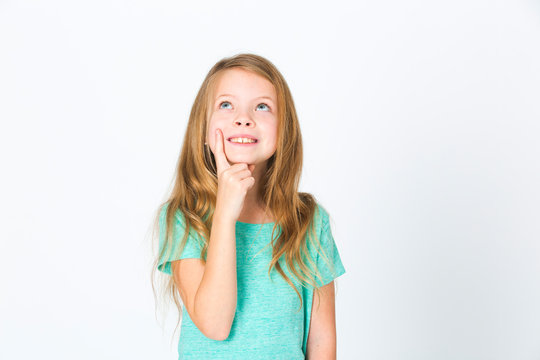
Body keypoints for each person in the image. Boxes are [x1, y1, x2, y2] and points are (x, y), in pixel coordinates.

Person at [151, 53, 346, 359]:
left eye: (262, 106)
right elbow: (215, 324)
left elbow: (321, 342)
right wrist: (225, 213)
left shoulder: (309, 221)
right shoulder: (184, 217)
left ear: (283, 133)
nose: (244, 118)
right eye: (226, 105)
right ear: (203, 131)